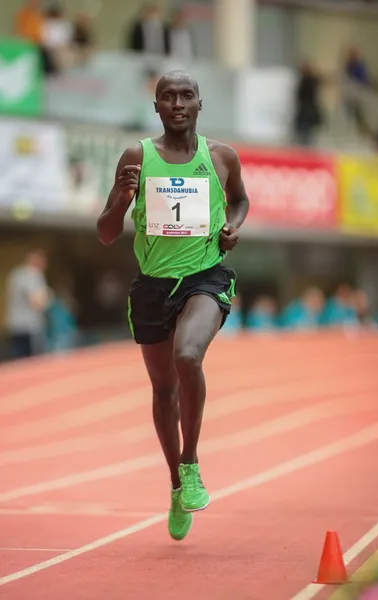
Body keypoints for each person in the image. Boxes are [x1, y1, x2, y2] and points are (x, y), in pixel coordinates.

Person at [97, 70, 249, 541]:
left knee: (188, 355)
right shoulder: (136, 157)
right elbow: (105, 233)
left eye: (186, 96)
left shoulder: (221, 157)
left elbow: (240, 201)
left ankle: (191, 464)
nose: (177, 103)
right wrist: (122, 199)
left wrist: (232, 228)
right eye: (168, 96)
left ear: (200, 104)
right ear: (157, 107)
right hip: (151, 287)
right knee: (164, 390)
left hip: (205, 276)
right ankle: (174, 484)